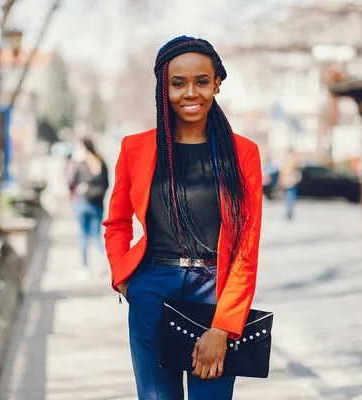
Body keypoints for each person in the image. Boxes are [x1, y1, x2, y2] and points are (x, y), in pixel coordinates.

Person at [102, 36, 263, 399]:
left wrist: (223, 327)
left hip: (213, 290)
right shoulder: (135, 149)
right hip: (152, 288)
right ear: (164, 87)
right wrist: (126, 281)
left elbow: (246, 246)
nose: (191, 93)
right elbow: (116, 223)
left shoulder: (243, 154)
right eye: (178, 83)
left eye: (201, 82)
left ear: (216, 84)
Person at [69, 138, 109, 276]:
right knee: (96, 234)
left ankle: (85, 267)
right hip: (97, 204)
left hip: (82, 203)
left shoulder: (80, 164)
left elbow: (72, 182)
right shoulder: (101, 162)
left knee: (84, 235)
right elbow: (107, 184)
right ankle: (102, 263)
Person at [278, 148, 300, 220]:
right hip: (291, 182)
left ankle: (288, 213)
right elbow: (296, 168)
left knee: (288, 198)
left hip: (286, 182)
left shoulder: (285, 160)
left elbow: (282, 172)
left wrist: (281, 181)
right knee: (291, 198)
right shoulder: (292, 159)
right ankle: (289, 214)